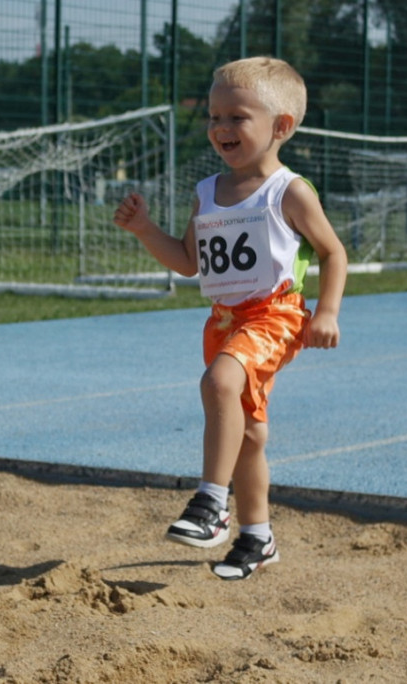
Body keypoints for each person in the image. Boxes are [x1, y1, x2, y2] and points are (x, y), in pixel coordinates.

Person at [113, 56, 347, 580]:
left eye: (236, 117)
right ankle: (257, 538)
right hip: (222, 320)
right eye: (214, 117)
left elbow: (333, 252)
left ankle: (210, 504)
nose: (220, 128)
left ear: (281, 126)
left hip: (274, 315)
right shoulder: (206, 193)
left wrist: (327, 310)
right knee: (247, 436)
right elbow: (189, 261)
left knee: (219, 380)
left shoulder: (290, 191)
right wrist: (147, 231)